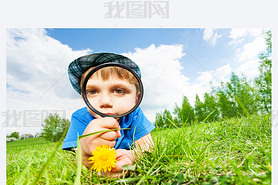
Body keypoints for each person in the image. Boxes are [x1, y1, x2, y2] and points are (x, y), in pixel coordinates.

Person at [62, 52, 155, 177]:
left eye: (118, 90)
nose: (105, 102)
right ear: (84, 99)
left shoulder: (135, 114)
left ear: (136, 99)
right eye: (93, 91)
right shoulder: (80, 117)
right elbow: (79, 160)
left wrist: (132, 155)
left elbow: (148, 147)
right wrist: (85, 151)